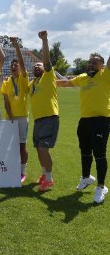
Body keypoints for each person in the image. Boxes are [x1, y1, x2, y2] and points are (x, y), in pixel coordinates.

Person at [58, 53, 110, 203]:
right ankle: (86, 178)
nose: (90, 65)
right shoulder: (82, 77)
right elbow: (66, 83)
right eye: (89, 62)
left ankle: (101, 187)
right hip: (85, 121)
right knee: (85, 152)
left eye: (94, 62)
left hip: (101, 120)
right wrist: (49, 81)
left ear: (102, 65)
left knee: (99, 154)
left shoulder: (106, 75)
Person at [29, 31, 59, 192]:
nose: (36, 67)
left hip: (50, 117)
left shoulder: (48, 76)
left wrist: (45, 40)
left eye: (38, 65)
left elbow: (46, 61)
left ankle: (49, 179)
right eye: (34, 66)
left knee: (43, 149)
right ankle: (44, 174)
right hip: (38, 119)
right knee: (38, 148)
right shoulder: (32, 83)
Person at [2, 37, 29, 183]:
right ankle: (11, 169)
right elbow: (6, 102)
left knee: (22, 145)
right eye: (12, 65)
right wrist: (10, 116)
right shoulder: (6, 82)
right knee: (9, 145)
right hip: (10, 117)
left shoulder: (23, 79)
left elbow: (23, 64)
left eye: (16, 65)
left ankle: (23, 172)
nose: (14, 66)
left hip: (22, 117)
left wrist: (16, 46)